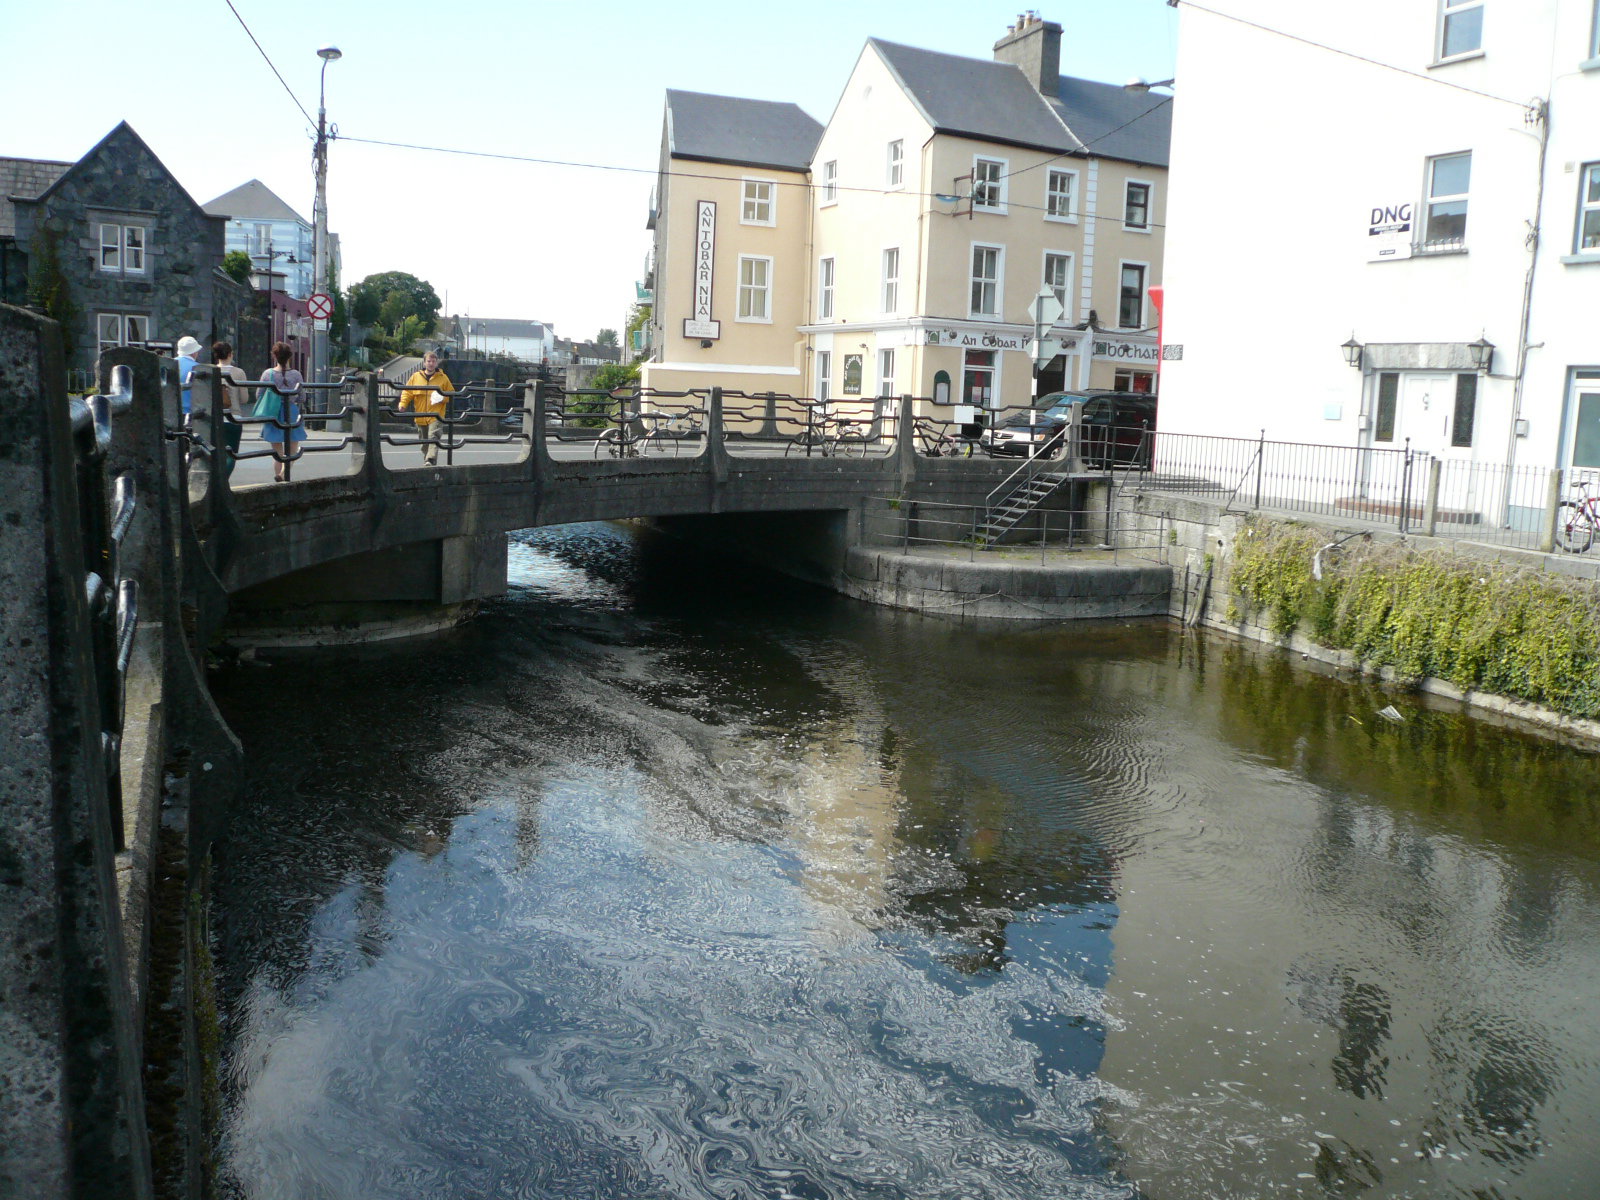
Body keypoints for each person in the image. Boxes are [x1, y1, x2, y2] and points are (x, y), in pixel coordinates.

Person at [258, 341, 306, 483]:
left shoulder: (267, 374)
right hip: (290, 411)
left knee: (277, 450)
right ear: (289, 356)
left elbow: (259, 394)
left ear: (275, 356)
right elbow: (302, 397)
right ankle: (284, 474)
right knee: (293, 449)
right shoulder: (296, 375)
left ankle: (279, 477)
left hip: (273, 412)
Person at [399, 351, 455, 466]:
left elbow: (451, 394)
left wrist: (441, 398)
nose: (431, 364)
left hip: (436, 415)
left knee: (433, 437)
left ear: (436, 363)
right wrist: (403, 404)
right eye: (428, 361)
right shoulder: (415, 377)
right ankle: (429, 463)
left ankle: (430, 459)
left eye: (433, 361)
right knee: (424, 443)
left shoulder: (443, 378)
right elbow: (407, 392)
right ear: (424, 363)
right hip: (420, 416)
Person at [211, 341, 249, 480]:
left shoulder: (210, 371)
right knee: (231, 454)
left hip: (215, 418)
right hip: (233, 417)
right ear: (229, 354)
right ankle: (222, 482)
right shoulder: (238, 372)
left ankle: (215, 481)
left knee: (215, 453)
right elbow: (244, 398)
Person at [176, 335, 202, 422]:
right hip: (191, 414)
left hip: (171, 412)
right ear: (194, 352)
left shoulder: (168, 364)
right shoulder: (198, 368)